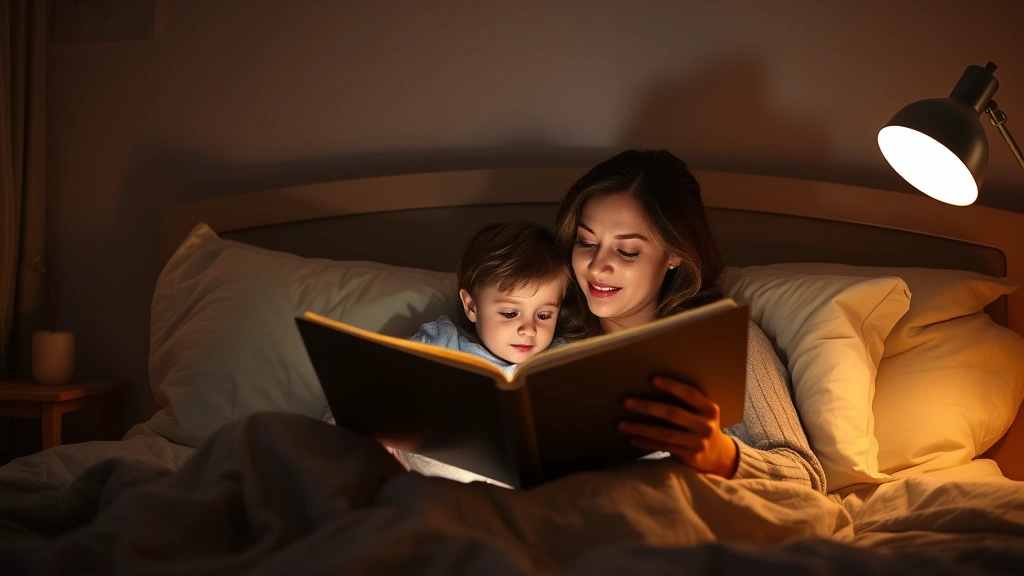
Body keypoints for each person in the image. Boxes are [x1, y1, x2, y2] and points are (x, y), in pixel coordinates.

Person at [553, 149, 827, 492]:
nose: (596, 266)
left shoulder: (725, 345)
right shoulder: (544, 334)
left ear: (674, 256)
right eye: (586, 242)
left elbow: (808, 480)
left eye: (626, 251)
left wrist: (722, 455)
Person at [321, 221, 571, 445]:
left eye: (543, 316)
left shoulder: (564, 358)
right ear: (471, 306)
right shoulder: (443, 345)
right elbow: (369, 392)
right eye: (509, 313)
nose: (529, 329)